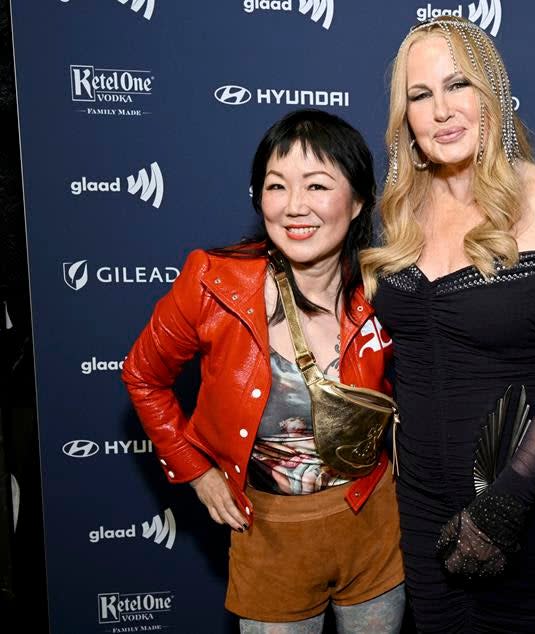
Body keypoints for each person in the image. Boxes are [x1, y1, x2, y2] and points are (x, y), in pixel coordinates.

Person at [360, 16, 535, 633]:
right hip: (423, 509)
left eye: (459, 85)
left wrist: (507, 501)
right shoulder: (399, 215)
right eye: (420, 95)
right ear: (405, 118)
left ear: (492, 93)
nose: (442, 110)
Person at [122, 109, 405, 633]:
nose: (294, 206)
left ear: (359, 199)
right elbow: (143, 375)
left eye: (317, 185)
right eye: (276, 186)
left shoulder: (388, 288)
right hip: (269, 535)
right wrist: (197, 471)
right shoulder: (212, 283)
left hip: (374, 523)